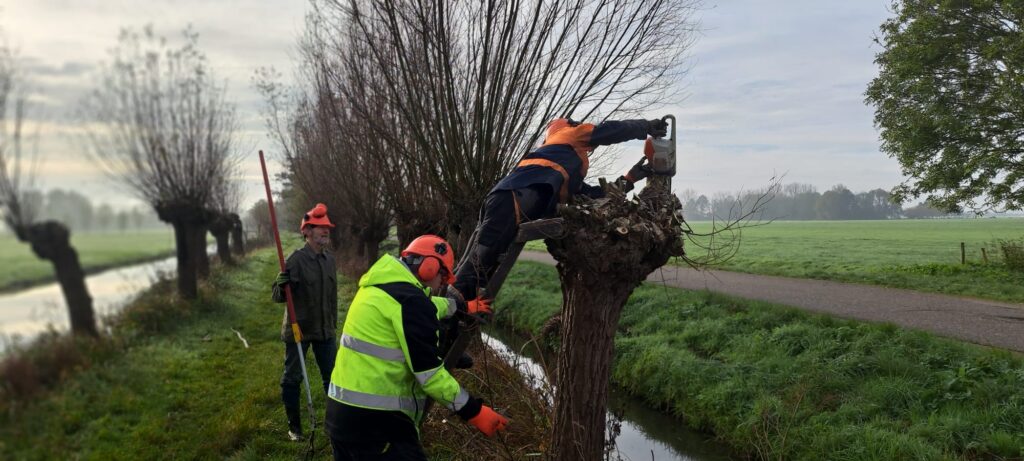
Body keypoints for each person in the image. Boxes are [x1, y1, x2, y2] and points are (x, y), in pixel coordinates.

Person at [325, 235, 508, 461]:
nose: (444, 283)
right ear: (429, 266)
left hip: (342, 414)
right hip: (377, 425)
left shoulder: (380, 285)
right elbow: (430, 376)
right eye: (443, 275)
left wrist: (461, 306)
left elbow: (425, 305)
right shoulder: (411, 300)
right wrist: (474, 411)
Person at [452, 117, 667, 302]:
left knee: (484, 263)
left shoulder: (562, 167)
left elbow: (592, 196)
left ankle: (461, 311)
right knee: (482, 257)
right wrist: (645, 126)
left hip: (507, 201)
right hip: (510, 200)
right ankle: (449, 310)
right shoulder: (568, 135)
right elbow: (610, 130)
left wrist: (629, 179)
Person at [271, 202, 339, 441]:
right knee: (292, 378)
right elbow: (277, 296)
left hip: (325, 330)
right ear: (307, 231)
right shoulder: (296, 260)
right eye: (320, 227)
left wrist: (333, 324)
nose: (325, 230)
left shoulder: (330, 260)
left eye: (327, 227)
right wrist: (282, 286)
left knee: (334, 378)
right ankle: (295, 427)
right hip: (298, 329)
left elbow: (333, 296)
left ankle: (335, 424)